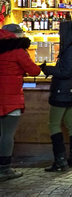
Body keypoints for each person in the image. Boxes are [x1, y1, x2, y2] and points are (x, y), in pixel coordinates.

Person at [39, 21, 72, 171]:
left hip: (63, 91)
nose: (60, 34)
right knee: (71, 123)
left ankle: (60, 160)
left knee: (53, 124)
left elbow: (66, 71)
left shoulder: (71, 49)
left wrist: (48, 69)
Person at [0, 26, 41, 181]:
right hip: (11, 99)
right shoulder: (17, 50)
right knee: (7, 134)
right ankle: (4, 169)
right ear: (16, 36)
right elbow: (34, 71)